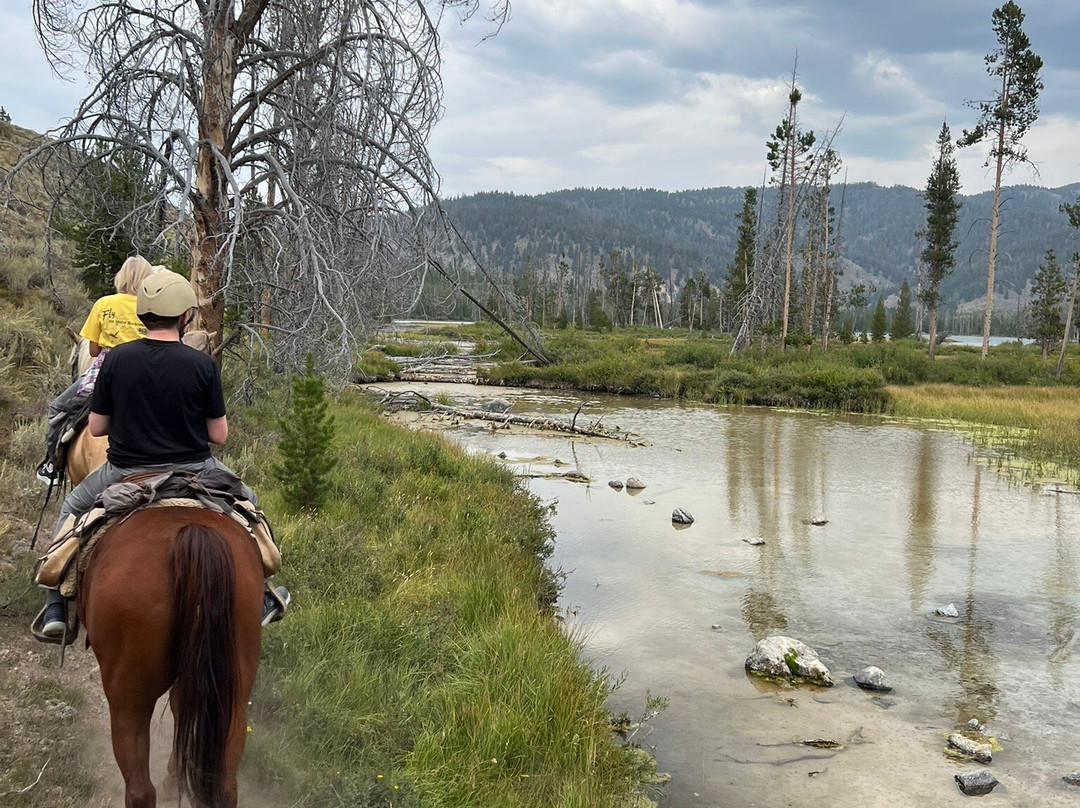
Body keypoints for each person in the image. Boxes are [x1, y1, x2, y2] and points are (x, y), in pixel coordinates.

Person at [39, 270, 288, 637]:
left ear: (143, 314)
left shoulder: (116, 360)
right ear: (185, 316)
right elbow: (218, 435)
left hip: (124, 470)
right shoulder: (201, 364)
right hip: (195, 469)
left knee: (73, 507)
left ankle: (55, 604)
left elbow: (96, 429)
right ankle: (265, 592)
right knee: (248, 502)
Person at [36, 255, 157, 485]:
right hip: (147, 376)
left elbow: (92, 351)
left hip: (107, 373)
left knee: (58, 408)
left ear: (121, 278)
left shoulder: (104, 304)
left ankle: (52, 465)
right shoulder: (152, 309)